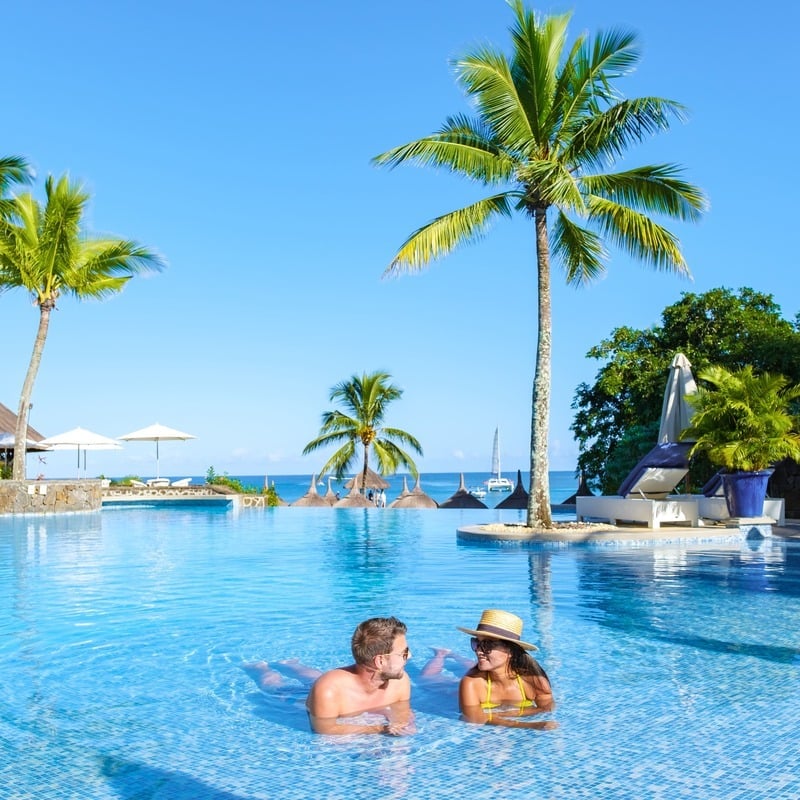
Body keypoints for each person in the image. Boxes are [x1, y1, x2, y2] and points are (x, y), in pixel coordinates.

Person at [305, 616, 415, 736]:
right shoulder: (329, 691)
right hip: (319, 697)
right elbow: (324, 729)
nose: (409, 656)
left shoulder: (400, 682)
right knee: (299, 684)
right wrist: (380, 729)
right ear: (380, 661)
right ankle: (289, 666)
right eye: (403, 653)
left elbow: (403, 714)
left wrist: (401, 725)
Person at [455, 609, 556, 729]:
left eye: (487, 645)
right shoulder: (471, 683)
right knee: (432, 679)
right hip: (464, 685)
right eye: (476, 643)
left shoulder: (534, 680)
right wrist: (530, 724)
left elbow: (546, 709)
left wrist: (504, 714)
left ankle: (454, 656)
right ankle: (442, 655)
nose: (478, 650)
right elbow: (474, 719)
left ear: (510, 651)